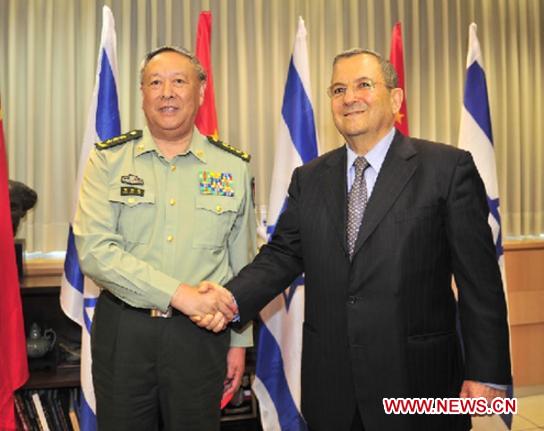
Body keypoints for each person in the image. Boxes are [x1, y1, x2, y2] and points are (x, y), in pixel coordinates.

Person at [195, 49, 512, 431]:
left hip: (418, 387)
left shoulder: (446, 169)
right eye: (338, 89)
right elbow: (280, 257)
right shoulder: (309, 179)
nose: (349, 98)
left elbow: (480, 282)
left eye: (364, 85)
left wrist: (485, 373)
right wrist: (228, 299)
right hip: (332, 389)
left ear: (394, 99)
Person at [73, 46, 253, 431]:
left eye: (178, 81)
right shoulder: (108, 161)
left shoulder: (233, 167)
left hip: (202, 337)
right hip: (125, 333)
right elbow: (95, 252)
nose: (166, 92)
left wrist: (238, 343)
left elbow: (242, 264)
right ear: (142, 94)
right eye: (155, 82)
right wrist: (180, 294)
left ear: (200, 93)